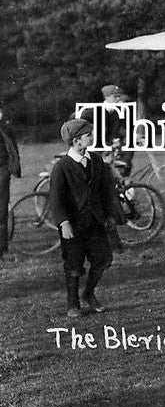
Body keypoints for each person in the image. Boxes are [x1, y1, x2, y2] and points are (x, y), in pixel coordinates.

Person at [46, 119, 125, 317]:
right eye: (88, 135)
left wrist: (111, 215)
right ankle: (73, 305)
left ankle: (88, 294)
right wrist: (63, 222)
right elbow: (55, 198)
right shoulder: (62, 167)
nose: (92, 137)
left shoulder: (96, 161)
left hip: (96, 221)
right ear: (76, 141)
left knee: (103, 259)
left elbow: (106, 190)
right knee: (73, 265)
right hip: (73, 225)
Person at [0, 104, 22, 260]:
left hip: (2, 171)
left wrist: (13, 169)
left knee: (1, 212)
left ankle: (1, 248)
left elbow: (13, 149)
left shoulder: (5, 128)